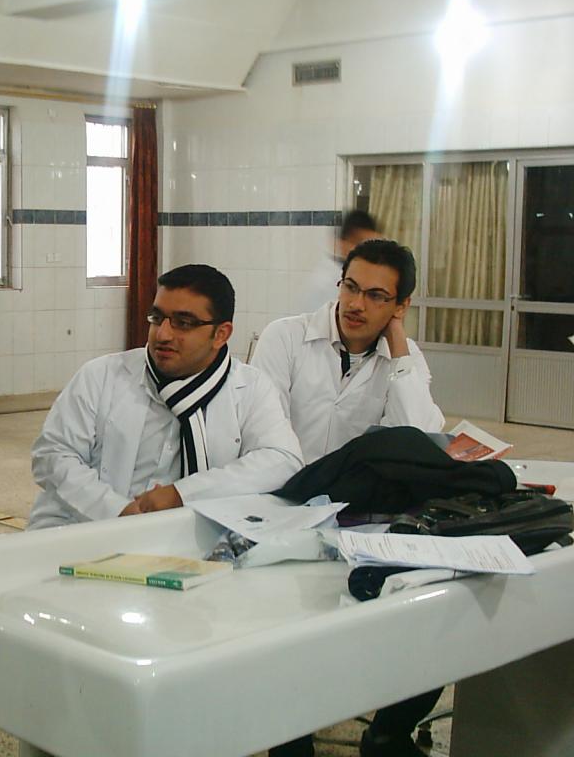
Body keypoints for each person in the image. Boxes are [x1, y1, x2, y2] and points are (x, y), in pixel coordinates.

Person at [252, 238, 445, 757]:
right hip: (281, 511)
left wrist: (398, 348)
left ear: (400, 306)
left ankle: (387, 735)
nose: (356, 304)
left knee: (432, 612)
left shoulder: (404, 358)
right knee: (285, 638)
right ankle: (289, 744)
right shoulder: (286, 338)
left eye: (377, 296)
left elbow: (420, 440)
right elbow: (263, 436)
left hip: (362, 519)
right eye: (351, 287)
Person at [28, 264, 303, 530]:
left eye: (183, 323)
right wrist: (116, 511)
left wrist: (182, 494)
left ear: (221, 334)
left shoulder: (250, 388)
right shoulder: (102, 375)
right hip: (83, 527)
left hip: (186, 538)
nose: (163, 334)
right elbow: (53, 454)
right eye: (157, 318)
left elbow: (282, 461)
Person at [295, 209, 380, 315]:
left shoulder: (357, 275)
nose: (369, 252)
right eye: (361, 243)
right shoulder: (325, 284)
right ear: (342, 243)